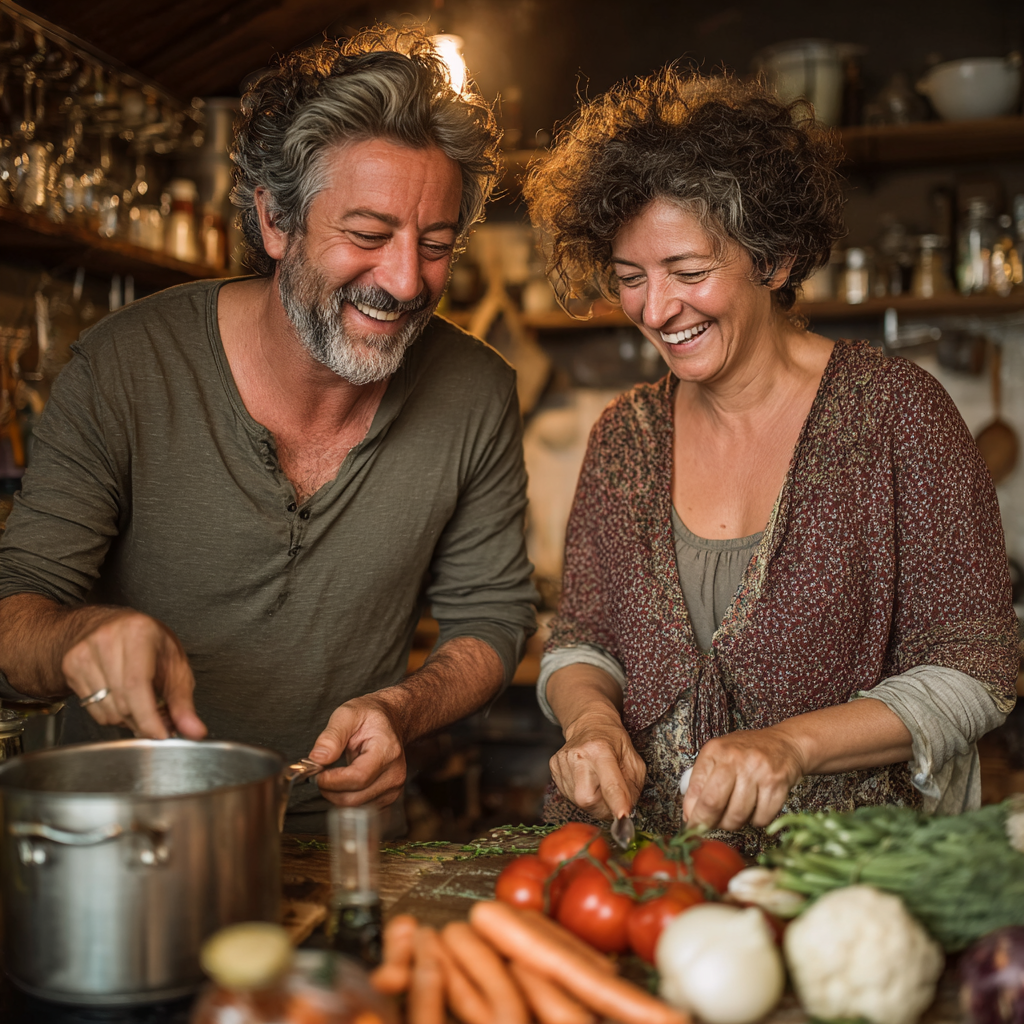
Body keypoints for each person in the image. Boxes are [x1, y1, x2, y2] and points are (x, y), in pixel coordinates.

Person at [0, 27, 536, 832]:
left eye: (435, 245)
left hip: (343, 838)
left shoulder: (477, 390)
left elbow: (491, 618)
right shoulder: (127, 365)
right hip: (127, 838)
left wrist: (402, 708)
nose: (404, 280)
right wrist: (82, 635)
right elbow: (12, 612)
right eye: (366, 235)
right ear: (275, 220)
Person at [523, 70, 1018, 854]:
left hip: (842, 890)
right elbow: (582, 638)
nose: (656, 310)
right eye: (630, 279)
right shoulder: (627, 437)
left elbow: (978, 667)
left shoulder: (895, 416)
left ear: (776, 259)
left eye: (688, 272)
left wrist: (791, 746)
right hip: (648, 883)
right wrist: (589, 720)